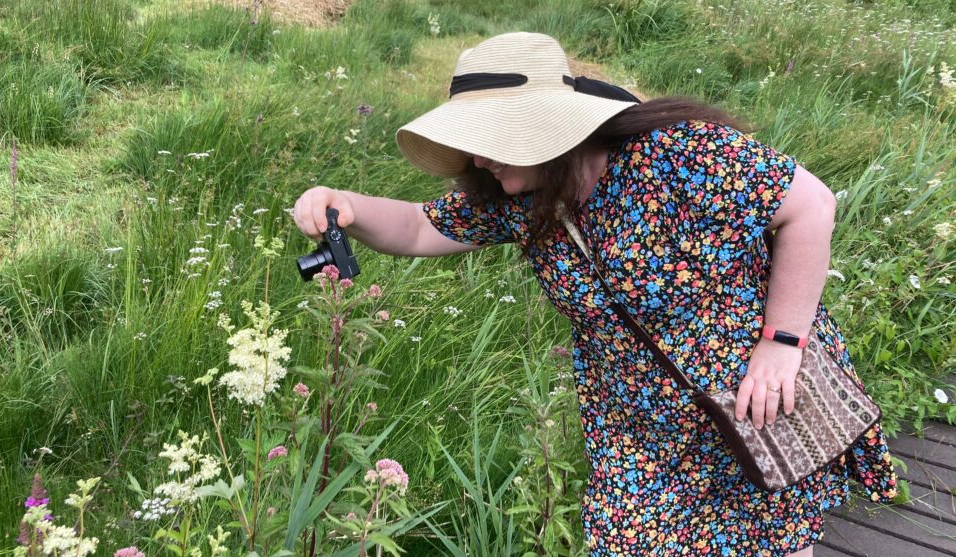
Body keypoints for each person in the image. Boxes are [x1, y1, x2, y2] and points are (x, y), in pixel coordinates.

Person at [291, 32, 899, 556]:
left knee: (771, 541)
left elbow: (811, 206)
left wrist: (783, 343)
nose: (475, 156)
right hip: (636, 426)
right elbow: (421, 227)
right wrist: (342, 204)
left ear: (543, 130)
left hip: (751, 399)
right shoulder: (518, 195)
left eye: (489, 136)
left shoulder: (673, 157)